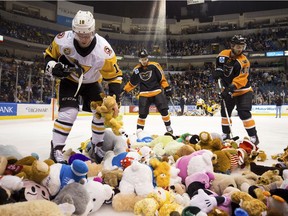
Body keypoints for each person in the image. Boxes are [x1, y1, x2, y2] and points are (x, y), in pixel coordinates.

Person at [44, 10, 123, 163]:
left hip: (93, 83)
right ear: (74, 31)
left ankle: (97, 146)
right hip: (69, 81)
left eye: (87, 35)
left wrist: (115, 99)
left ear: (93, 31)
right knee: (69, 113)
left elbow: (114, 76)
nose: (84, 39)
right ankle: (56, 150)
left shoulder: (104, 50)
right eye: (80, 35)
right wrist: (53, 66)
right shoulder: (62, 40)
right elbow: (48, 55)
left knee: (101, 113)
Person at [213, 34, 259, 145]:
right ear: (232, 45)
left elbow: (242, 79)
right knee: (225, 113)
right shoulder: (223, 54)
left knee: (243, 112)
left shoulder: (244, 61)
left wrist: (229, 89)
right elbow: (219, 66)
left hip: (243, 91)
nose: (240, 49)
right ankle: (226, 134)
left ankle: (253, 136)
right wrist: (217, 72)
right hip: (228, 89)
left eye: (242, 46)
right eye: (238, 46)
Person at [122, 49, 173, 134]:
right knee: (142, 114)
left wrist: (166, 87)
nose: (144, 61)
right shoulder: (137, 69)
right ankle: (139, 132)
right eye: (142, 59)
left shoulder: (155, 65)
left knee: (164, 111)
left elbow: (162, 78)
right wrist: (125, 89)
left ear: (147, 58)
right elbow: (132, 83)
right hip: (144, 94)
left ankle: (168, 127)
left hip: (156, 91)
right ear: (139, 59)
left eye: (145, 59)